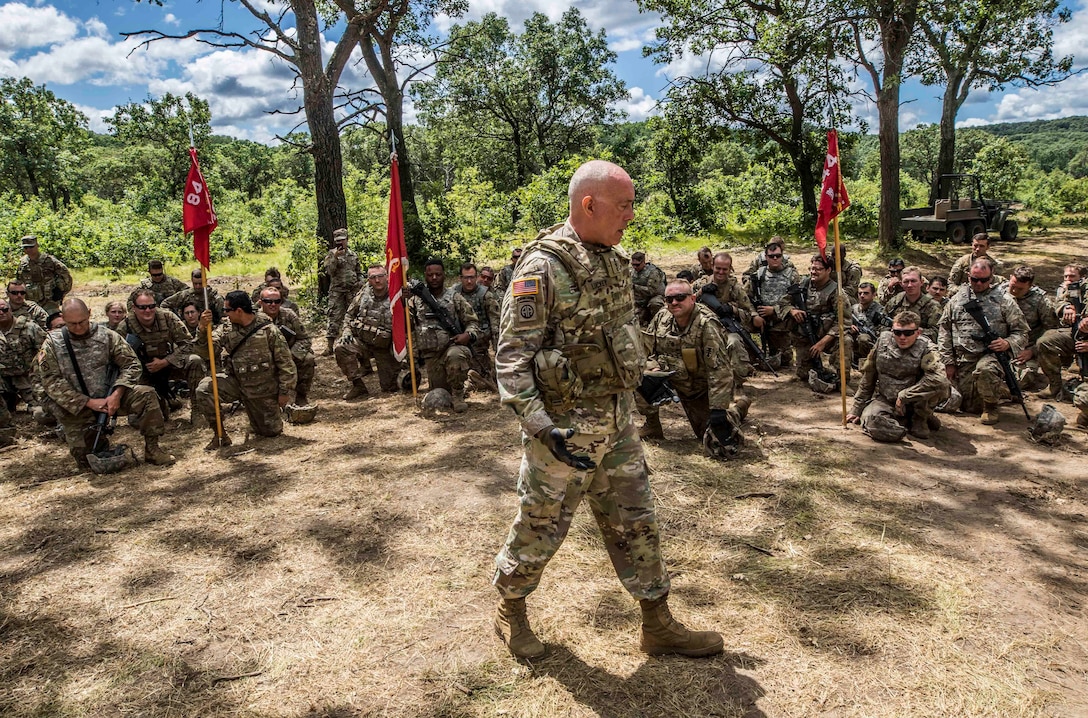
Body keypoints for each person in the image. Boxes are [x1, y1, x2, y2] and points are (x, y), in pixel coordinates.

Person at [492, 159, 722, 660]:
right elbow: (511, 360)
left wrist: (642, 379)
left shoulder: (613, 261)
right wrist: (541, 428)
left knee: (637, 519)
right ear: (589, 205)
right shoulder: (542, 269)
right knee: (541, 524)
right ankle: (511, 609)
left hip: (617, 423)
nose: (631, 216)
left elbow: (618, 340)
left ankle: (657, 622)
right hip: (564, 432)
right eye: (624, 205)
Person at [34, 298, 175, 470]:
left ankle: (152, 449)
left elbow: (131, 364)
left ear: (90, 314)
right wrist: (88, 402)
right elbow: (51, 381)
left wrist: (117, 394)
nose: (78, 327)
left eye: (82, 322)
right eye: (72, 324)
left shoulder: (107, 336)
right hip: (77, 406)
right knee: (88, 460)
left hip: (112, 398)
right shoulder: (53, 343)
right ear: (63, 318)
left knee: (146, 395)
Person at [639, 278, 747, 447]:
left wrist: (717, 408)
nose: (674, 302)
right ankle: (652, 425)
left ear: (692, 298)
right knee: (639, 375)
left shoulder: (706, 324)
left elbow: (719, 369)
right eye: (669, 299)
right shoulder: (662, 317)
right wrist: (653, 368)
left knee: (713, 439)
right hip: (671, 379)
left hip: (699, 388)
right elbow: (646, 351)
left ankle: (737, 409)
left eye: (680, 297)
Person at [193, 291, 297, 449]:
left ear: (239, 311)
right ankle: (219, 434)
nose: (225, 314)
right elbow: (207, 351)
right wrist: (201, 329)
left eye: (227, 310)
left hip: (262, 390)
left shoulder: (268, 329)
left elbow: (286, 364)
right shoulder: (226, 329)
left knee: (270, 432)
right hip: (236, 383)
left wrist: (284, 392)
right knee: (204, 389)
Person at [937, 260, 1029, 425]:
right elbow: (945, 331)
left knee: (985, 370)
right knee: (967, 406)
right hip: (963, 358)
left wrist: (1007, 343)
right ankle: (1001, 390)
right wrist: (948, 362)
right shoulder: (957, 299)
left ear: (991, 277)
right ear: (968, 276)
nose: (978, 283)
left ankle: (991, 407)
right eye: (974, 279)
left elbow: (1022, 332)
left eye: (983, 280)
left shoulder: (1004, 300)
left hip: (990, 356)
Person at [848, 311, 951, 441]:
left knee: (942, 387)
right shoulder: (882, 342)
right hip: (886, 399)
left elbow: (939, 379)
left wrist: (905, 396)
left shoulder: (927, 348)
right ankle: (901, 426)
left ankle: (920, 417)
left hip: (917, 401)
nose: (902, 337)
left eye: (908, 333)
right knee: (871, 422)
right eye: (897, 333)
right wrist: (857, 408)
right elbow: (869, 376)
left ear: (918, 333)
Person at [114, 289, 206, 417]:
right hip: (145, 372)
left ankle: (198, 411)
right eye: (142, 307)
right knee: (152, 417)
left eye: (151, 306)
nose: (148, 311)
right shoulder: (125, 327)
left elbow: (189, 344)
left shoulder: (167, 318)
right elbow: (119, 359)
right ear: (134, 308)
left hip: (170, 364)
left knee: (194, 360)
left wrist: (165, 361)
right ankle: (166, 403)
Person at [408, 259, 480, 412]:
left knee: (457, 355)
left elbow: (472, 322)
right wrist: (403, 302)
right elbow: (407, 328)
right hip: (431, 356)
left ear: (444, 275)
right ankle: (469, 382)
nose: (434, 278)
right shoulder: (415, 300)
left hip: (451, 348)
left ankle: (458, 394)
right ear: (425, 276)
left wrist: (468, 335)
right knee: (440, 392)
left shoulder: (454, 298)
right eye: (430, 275)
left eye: (438, 274)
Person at [782, 254, 850, 387]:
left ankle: (843, 381)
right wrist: (792, 310)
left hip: (828, 336)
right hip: (806, 336)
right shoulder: (803, 284)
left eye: (818, 269)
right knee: (803, 375)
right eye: (812, 268)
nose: (813, 272)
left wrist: (823, 343)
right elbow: (783, 303)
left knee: (845, 341)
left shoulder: (837, 292)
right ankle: (821, 370)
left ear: (828, 270)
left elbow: (844, 322)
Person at [336, 265, 402, 399]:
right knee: (341, 347)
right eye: (373, 277)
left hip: (386, 347)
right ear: (369, 280)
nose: (377, 280)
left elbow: (410, 324)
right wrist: (347, 331)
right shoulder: (363, 294)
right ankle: (358, 385)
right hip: (363, 342)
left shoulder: (397, 296)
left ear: (387, 277)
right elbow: (349, 315)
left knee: (389, 388)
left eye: (380, 276)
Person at [693, 252, 759, 383]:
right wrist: (701, 292)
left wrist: (732, 309)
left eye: (725, 269)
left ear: (730, 269)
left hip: (727, 329)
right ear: (712, 266)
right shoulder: (700, 283)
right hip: (702, 329)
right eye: (718, 268)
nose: (721, 272)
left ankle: (737, 383)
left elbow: (748, 314)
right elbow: (684, 303)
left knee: (734, 342)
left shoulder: (735, 288)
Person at [1001, 265, 1058, 393]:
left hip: (1024, 349)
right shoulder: (998, 293)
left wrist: (1033, 351)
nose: (1014, 291)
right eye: (1012, 286)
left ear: (1030, 286)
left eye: (1020, 289)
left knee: (1021, 379)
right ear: (1010, 278)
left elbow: (1051, 331)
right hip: (1000, 345)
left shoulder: (1040, 301)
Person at [1036, 265, 1088, 400]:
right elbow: (1061, 301)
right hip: (1076, 334)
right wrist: (1066, 308)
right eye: (1066, 276)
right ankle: (1055, 385)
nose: (1068, 280)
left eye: (1072, 276)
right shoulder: (1077, 288)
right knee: (1045, 342)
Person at [259, 286, 314, 406]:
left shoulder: (289, 315)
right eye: (268, 301)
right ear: (260, 302)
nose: (273, 304)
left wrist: (290, 355)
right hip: (263, 357)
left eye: (277, 301)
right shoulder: (254, 319)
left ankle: (301, 395)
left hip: (289, 354)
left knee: (308, 359)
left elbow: (305, 339)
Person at [748, 241, 800, 367]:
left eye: (778, 255)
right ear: (766, 257)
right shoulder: (758, 275)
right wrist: (755, 315)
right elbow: (745, 298)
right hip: (761, 321)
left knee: (784, 360)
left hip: (782, 322)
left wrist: (774, 310)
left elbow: (797, 301)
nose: (775, 258)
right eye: (771, 256)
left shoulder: (792, 275)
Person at [320, 228, 361, 356]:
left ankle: (353, 343)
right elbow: (329, 272)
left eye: (343, 240)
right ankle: (330, 346)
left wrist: (360, 282)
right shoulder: (331, 255)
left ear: (346, 240)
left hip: (351, 290)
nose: (341, 243)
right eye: (338, 241)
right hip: (337, 291)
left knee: (353, 316)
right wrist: (335, 258)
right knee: (334, 316)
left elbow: (359, 271)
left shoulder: (353, 255)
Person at [0, 297, 46, 412]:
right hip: (3, 380)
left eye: (4, 309)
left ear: (10, 310)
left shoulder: (30, 328)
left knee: (41, 409)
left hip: (27, 377)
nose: (1, 313)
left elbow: (46, 352)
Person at [457, 262, 500, 381]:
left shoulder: (487, 296)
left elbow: (495, 327)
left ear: (476, 277)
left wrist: (499, 355)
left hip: (478, 343)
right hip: (457, 340)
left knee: (478, 376)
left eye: (472, 277)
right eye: (466, 278)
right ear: (460, 278)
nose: (469, 281)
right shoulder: (453, 294)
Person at [882, 266, 942, 343]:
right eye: (906, 282)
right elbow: (881, 325)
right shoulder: (895, 302)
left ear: (921, 282)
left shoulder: (933, 306)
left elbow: (937, 333)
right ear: (901, 284)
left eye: (913, 281)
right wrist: (895, 332)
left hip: (921, 344)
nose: (910, 285)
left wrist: (914, 332)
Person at [16, 235, 73, 315]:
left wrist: (60, 293)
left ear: (37, 246)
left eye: (31, 247)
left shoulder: (49, 261)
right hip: (30, 302)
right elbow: (18, 282)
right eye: (25, 248)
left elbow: (66, 277)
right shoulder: (23, 263)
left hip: (49, 301)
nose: (28, 250)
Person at [848, 282, 885, 364]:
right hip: (854, 338)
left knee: (863, 338)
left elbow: (883, 330)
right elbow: (844, 321)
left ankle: (867, 362)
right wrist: (850, 326)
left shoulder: (880, 311)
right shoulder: (853, 308)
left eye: (866, 293)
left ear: (874, 294)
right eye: (860, 293)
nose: (862, 296)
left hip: (872, 341)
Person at [631, 251, 667, 326]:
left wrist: (635, 287)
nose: (635, 267)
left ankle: (659, 323)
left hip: (654, 297)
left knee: (655, 304)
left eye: (637, 265)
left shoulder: (653, 272)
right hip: (640, 300)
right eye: (633, 265)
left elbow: (651, 291)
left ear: (643, 262)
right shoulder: (632, 272)